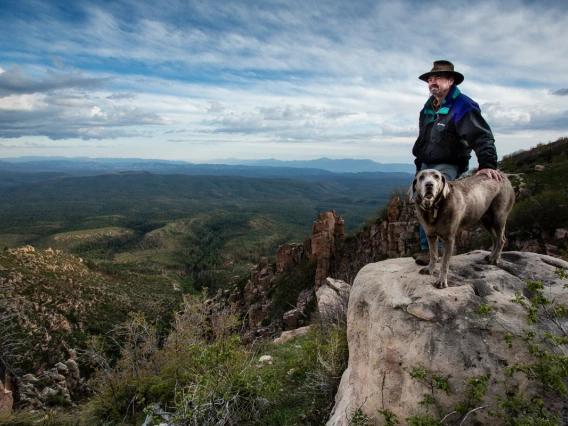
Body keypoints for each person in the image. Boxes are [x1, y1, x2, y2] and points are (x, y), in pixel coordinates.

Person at [412, 60, 503, 265]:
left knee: (438, 203)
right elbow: (423, 140)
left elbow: (481, 136)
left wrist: (487, 164)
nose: (432, 82)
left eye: (437, 78)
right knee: (421, 202)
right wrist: (419, 165)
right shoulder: (428, 108)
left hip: (447, 165)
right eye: (430, 79)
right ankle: (428, 249)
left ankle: (437, 254)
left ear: (451, 81)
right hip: (426, 164)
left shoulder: (462, 105)